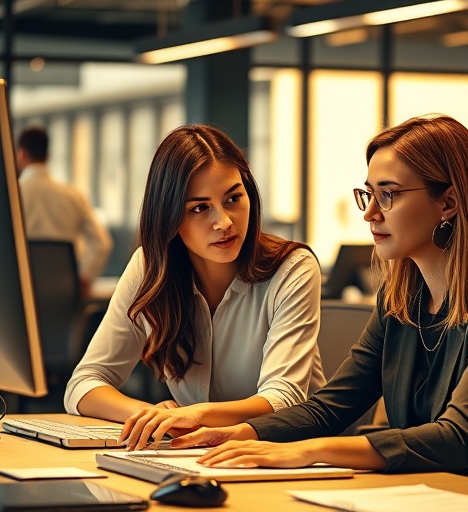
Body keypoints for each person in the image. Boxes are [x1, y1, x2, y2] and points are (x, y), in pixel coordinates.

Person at [172, 115, 468, 483]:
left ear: (448, 203)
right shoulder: (400, 300)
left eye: (389, 195)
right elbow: (330, 408)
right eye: (369, 195)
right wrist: (241, 433)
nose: (370, 215)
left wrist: (305, 451)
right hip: (428, 488)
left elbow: (457, 437)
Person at [64, 124, 326, 448]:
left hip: (287, 454)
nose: (225, 222)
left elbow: (283, 398)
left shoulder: (293, 269)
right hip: (198, 457)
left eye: (233, 198)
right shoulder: (149, 269)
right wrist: (151, 417)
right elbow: (84, 384)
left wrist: (194, 415)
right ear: (169, 217)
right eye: (200, 208)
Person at [16, 126, 112, 297]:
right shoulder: (72, 196)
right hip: (64, 293)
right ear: (47, 156)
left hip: (21, 291)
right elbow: (102, 243)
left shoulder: (11, 195)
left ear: (21, 154)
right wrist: (84, 278)